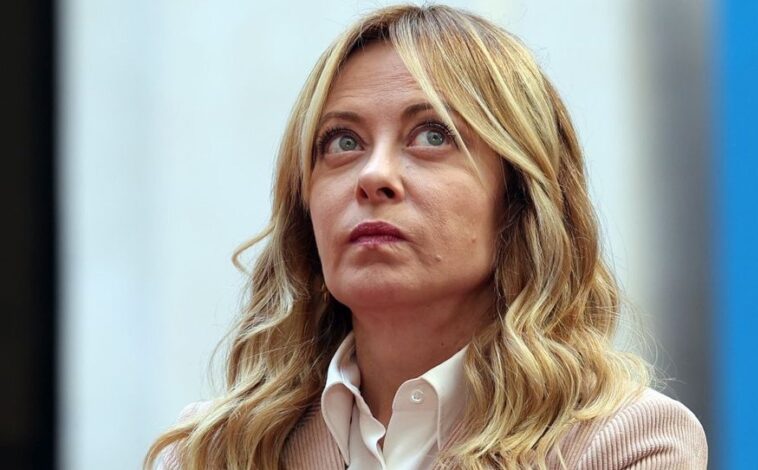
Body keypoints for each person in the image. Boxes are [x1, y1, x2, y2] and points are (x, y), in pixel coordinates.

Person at [145, 4, 707, 469]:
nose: (373, 175)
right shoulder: (214, 450)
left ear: (519, 198)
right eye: (342, 142)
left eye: (432, 135)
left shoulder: (627, 442)